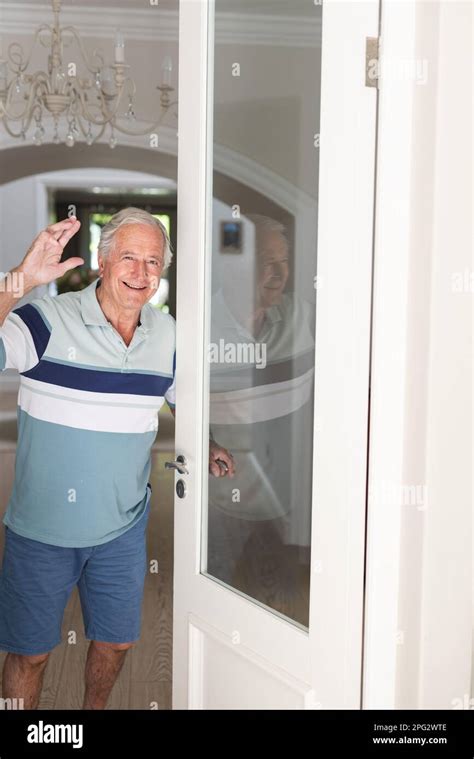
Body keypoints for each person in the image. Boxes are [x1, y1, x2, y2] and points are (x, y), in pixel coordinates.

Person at [0, 208, 233, 709]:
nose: (141, 272)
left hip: (122, 528)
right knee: (31, 655)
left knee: (116, 642)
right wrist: (20, 279)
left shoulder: (169, 335)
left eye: (153, 261)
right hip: (42, 530)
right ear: (102, 263)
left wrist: (205, 443)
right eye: (128, 257)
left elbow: (182, 399)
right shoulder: (45, 320)